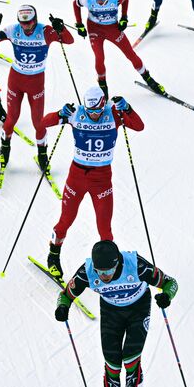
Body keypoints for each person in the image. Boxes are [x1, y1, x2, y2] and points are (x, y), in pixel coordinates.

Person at [55, 240, 178, 387]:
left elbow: (170, 282)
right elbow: (65, 295)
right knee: (111, 363)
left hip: (138, 310)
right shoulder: (87, 272)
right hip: (111, 313)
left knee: (131, 359)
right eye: (100, 271)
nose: (104, 276)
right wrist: (62, 307)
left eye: (109, 270)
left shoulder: (136, 265)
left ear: (118, 262)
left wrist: (167, 296)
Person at [44, 88, 144, 277]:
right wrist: (60, 114)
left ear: (103, 103)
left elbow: (139, 126)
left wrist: (128, 108)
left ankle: (109, 268)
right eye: (90, 112)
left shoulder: (113, 112)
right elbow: (43, 123)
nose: (94, 115)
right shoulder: (76, 114)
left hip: (102, 180)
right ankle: (53, 256)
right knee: (66, 220)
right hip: (77, 178)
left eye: (97, 111)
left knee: (105, 229)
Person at [0, 5, 73, 174]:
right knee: (11, 119)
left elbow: (68, 40)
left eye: (29, 23)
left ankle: (42, 154)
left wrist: (61, 28)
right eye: (22, 23)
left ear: (35, 20)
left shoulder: (45, 31)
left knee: (38, 123)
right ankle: (4, 150)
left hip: (36, 83)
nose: (26, 27)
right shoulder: (12, 30)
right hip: (16, 80)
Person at [72, 0, 162, 97]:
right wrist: (79, 24)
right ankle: (103, 87)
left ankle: (148, 78)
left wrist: (124, 17)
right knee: (99, 57)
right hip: (95, 30)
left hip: (112, 28)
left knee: (130, 54)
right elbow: (75, 4)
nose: (99, 1)